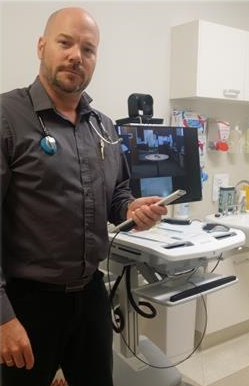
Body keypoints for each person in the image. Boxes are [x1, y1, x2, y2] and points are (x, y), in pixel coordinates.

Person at [0, 7, 167, 386]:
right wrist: (3, 318)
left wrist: (131, 208)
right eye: (65, 42)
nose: (77, 55)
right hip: (28, 303)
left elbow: (117, 194)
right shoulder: (7, 116)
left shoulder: (103, 126)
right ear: (42, 46)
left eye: (88, 49)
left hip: (91, 293)